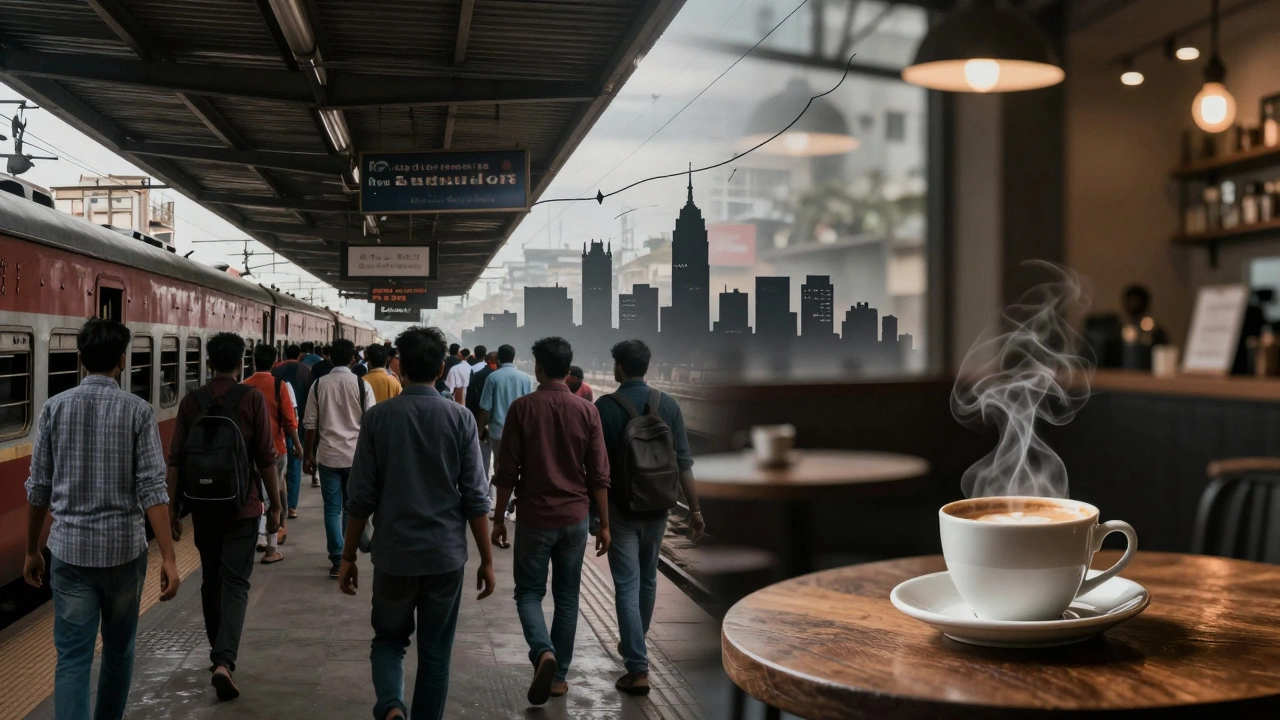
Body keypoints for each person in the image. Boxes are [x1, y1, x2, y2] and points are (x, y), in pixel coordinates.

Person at [24, 318, 179, 720]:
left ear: (80, 359)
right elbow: (152, 488)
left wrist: (31, 550)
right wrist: (169, 557)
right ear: (122, 362)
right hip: (124, 555)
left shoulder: (53, 409)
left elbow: (38, 488)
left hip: (70, 554)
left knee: (72, 658)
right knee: (118, 651)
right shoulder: (139, 412)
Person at [340, 326, 496, 720]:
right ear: (442, 368)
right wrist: (487, 559)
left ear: (400, 367)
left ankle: (392, 707)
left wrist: (347, 556)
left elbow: (360, 498)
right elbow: (476, 499)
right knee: (436, 654)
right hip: (445, 557)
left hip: (393, 554)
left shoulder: (377, 419)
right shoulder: (461, 420)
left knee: (389, 642)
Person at [491, 337, 611, 705]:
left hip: (535, 517)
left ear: (539, 368)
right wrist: (604, 523)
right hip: (575, 519)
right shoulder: (587, 411)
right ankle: (558, 677)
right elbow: (599, 474)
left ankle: (543, 651)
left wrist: (497, 518)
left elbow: (507, 471)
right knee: (567, 598)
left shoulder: (522, 408)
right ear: (568, 367)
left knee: (528, 593)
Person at [168, 332, 281, 701]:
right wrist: (275, 504)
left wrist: (172, 508)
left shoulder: (191, 402)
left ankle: (218, 652)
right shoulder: (250, 399)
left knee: (211, 580)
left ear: (208, 361)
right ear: (241, 362)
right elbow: (265, 457)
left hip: (202, 507)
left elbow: (176, 460)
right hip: (242, 506)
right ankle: (223, 661)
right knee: (236, 583)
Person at [595, 339, 706, 695]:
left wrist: (599, 518)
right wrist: (696, 509)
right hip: (659, 507)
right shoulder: (668, 404)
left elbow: (597, 470)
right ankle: (634, 644)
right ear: (648, 366)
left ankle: (637, 666)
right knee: (647, 580)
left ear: (619, 368)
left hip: (621, 507)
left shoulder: (604, 407)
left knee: (626, 584)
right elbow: (684, 462)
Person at [303, 338, 376, 578]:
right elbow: (370, 424)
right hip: (355, 457)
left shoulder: (318, 385)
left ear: (330, 357)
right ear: (354, 358)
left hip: (328, 456)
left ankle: (336, 559)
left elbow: (310, 424)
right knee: (350, 508)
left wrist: (308, 454)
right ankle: (347, 554)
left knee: (331, 509)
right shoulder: (362, 385)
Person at [245, 344, 301, 564]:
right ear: (275, 362)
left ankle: (257, 537)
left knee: (256, 495)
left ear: (253, 361)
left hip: (250, 451)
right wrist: (298, 446)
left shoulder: (244, 386)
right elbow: (289, 422)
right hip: (276, 450)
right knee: (273, 498)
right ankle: (271, 549)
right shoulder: (280, 386)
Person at [477, 344, 532, 517]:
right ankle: (514, 502)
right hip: (520, 431)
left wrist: (478, 431)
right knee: (519, 467)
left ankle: (503, 503)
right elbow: (528, 407)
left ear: (499, 358)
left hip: (498, 431)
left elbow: (485, 407)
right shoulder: (525, 379)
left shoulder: (493, 378)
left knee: (500, 467)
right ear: (513, 358)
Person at [272, 344, 312, 519]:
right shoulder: (306, 370)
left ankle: (276, 505)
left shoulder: (276, 370)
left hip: (277, 426)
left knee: (277, 469)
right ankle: (292, 506)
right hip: (298, 422)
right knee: (295, 465)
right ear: (300, 355)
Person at [466, 351, 500, 480]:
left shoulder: (479, 375)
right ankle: (492, 488)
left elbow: (473, 400)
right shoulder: (494, 377)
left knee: (483, 457)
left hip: (481, 420)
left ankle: (483, 483)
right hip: (498, 424)